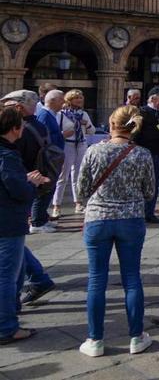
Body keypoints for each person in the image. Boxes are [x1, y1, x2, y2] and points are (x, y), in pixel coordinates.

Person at [76, 105, 155, 357]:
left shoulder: (93, 151)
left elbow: (81, 189)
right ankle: (136, 337)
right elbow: (150, 191)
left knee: (97, 280)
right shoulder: (142, 154)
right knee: (132, 279)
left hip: (98, 219)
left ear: (111, 124)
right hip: (131, 219)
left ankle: (95, 340)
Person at [1, 91, 58, 305]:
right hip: (27, 185)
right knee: (13, 245)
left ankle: (10, 309)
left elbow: (15, 164)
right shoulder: (38, 125)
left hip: (18, 190)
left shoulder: (20, 131)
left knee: (11, 247)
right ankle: (38, 279)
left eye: (8, 104)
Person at [0, 105, 49, 345]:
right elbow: (18, 191)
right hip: (8, 221)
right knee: (6, 276)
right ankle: (6, 327)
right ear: (14, 128)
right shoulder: (7, 155)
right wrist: (31, 183)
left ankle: (12, 311)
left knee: (15, 271)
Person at [52, 89, 96, 216]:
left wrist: (86, 124)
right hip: (68, 145)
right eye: (77, 98)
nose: (80, 100)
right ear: (70, 100)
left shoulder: (84, 114)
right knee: (63, 176)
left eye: (81, 98)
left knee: (78, 175)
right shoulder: (61, 115)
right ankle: (57, 205)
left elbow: (92, 131)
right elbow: (56, 131)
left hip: (81, 144)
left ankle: (78, 203)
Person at [133, 87, 159, 224]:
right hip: (142, 153)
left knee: (154, 184)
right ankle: (138, 212)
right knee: (140, 184)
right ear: (153, 98)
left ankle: (149, 212)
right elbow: (135, 132)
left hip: (156, 154)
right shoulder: (142, 112)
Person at [33, 90, 65, 227]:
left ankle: (42, 217)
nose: (63, 103)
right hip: (47, 158)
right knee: (44, 188)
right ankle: (37, 221)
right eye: (61, 100)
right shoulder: (44, 115)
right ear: (52, 101)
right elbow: (42, 137)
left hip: (52, 156)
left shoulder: (50, 115)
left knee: (49, 188)